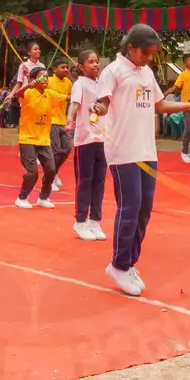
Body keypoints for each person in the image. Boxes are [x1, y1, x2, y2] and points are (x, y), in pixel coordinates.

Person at [90, 24, 190, 297]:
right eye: (146, 53)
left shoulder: (146, 72)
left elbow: (160, 105)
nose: (149, 58)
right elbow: (104, 102)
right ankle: (119, 264)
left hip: (147, 151)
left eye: (153, 54)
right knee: (129, 207)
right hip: (123, 152)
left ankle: (129, 262)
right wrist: (99, 107)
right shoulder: (113, 71)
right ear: (131, 48)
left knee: (144, 210)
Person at [7, 65, 67, 209]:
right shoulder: (28, 93)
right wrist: (29, 85)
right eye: (42, 76)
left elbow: (67, 97)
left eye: (46, 76)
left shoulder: (50, 94)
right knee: (32, 171)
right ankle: (22, 197)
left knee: (51, 169)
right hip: (28, 139)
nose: (46, 79)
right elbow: (18, 95)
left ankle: (43, 197)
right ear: (34, 79)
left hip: (43, 139)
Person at [66, 49, 106, 241]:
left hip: (102, 138)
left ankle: (94, 220)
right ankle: (80, 220)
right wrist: (69, 120)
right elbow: (74, 104)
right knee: (85, 181)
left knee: (99, 181)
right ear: (81, 66)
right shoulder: (79, 84)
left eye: (97, 61)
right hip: (85, 139)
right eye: (91, 62)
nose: (95, 65)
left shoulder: (103, 84)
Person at [166, 54, 190, 164]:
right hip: (187, 105)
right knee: (189, 127)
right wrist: (165, 93)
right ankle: (184, 151)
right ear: (185, 63)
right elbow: (175, 87)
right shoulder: (183, 75)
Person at [46, 60, 75, 190]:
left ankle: (54, 172)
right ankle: (49, 177)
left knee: (67, 148)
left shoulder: (68, 83)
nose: (66, 69)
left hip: (62, 121)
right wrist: (66, 97)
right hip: (51, 120)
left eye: (67, 67)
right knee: (56, 150)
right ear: (54, 69)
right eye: (62, 67)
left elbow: (73, 96)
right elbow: (51, 95)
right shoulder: (48, 81)